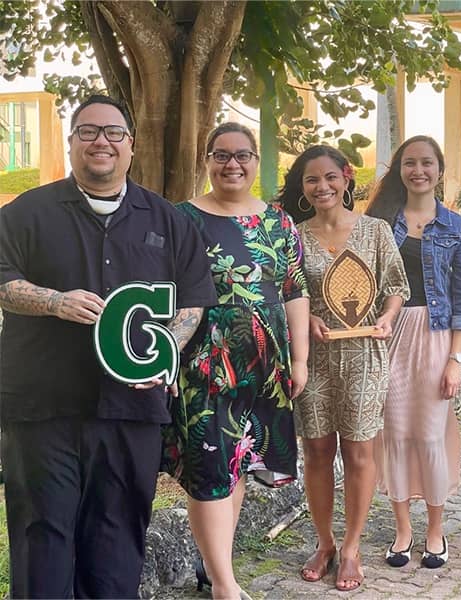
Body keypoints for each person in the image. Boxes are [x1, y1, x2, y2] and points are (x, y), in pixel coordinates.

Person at [0, 95, 216, 598]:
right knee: (42, 534)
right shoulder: (27, 212)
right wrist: (54, 301)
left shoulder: (168, 220)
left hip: (131, 408)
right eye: (89, 131)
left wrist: (164, 349)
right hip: (42, 406)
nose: (102, 141)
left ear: (131, 146)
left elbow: (192, 303)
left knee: (118, 536)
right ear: (71, 142)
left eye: (114, 133)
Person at [161, 122, 310, 600]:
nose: (232, 164)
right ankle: (225, 584)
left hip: (264, 368)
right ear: (207, 160)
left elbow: (293, 291)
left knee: (240, 462)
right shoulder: (181, 218)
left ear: (255, 162)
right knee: (209, 469)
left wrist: (299, 361)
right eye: (221, 155)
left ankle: (214, 566)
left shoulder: (278, 221)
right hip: (202, 365)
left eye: (242, 155)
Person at [277, 145, 409, 592]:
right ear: (303, 186)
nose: (322, 187)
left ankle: (351, 547)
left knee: (358, 453)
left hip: (363, 357)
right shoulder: (293, 235)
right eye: (312, 180)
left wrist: (388, 317)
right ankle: (325, 542)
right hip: (312, 358)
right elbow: (287, 292)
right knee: (315, 451)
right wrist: (306, 318)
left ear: (347, 178)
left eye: (331, 177)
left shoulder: (375, 231)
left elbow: (395, 285)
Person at [366, 135, 461, 570]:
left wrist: (456, 358)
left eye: (427, 163)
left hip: (435, 334)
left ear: (439, 169)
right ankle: (402, 530)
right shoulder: (377, 222)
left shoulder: (456, 226)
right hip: (386, 335)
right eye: (409, 163)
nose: (418, 171)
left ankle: (434, 529)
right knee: (393, 432)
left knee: (429, 434)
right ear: (400, 169)